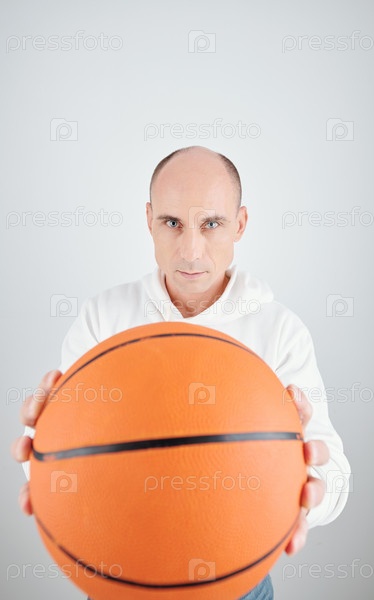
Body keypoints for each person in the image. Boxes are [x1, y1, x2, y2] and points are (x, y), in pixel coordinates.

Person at [11, 145, 351, 600]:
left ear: (241, 224)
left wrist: (305, 492)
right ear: (148, 220)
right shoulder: (103, 319)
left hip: (237, 583)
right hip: (121, 575)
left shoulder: (280, 331)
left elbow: (336, 476)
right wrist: (42, 465)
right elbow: (61, 461)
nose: (191, 251)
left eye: (211, 224)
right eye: (172, 223)